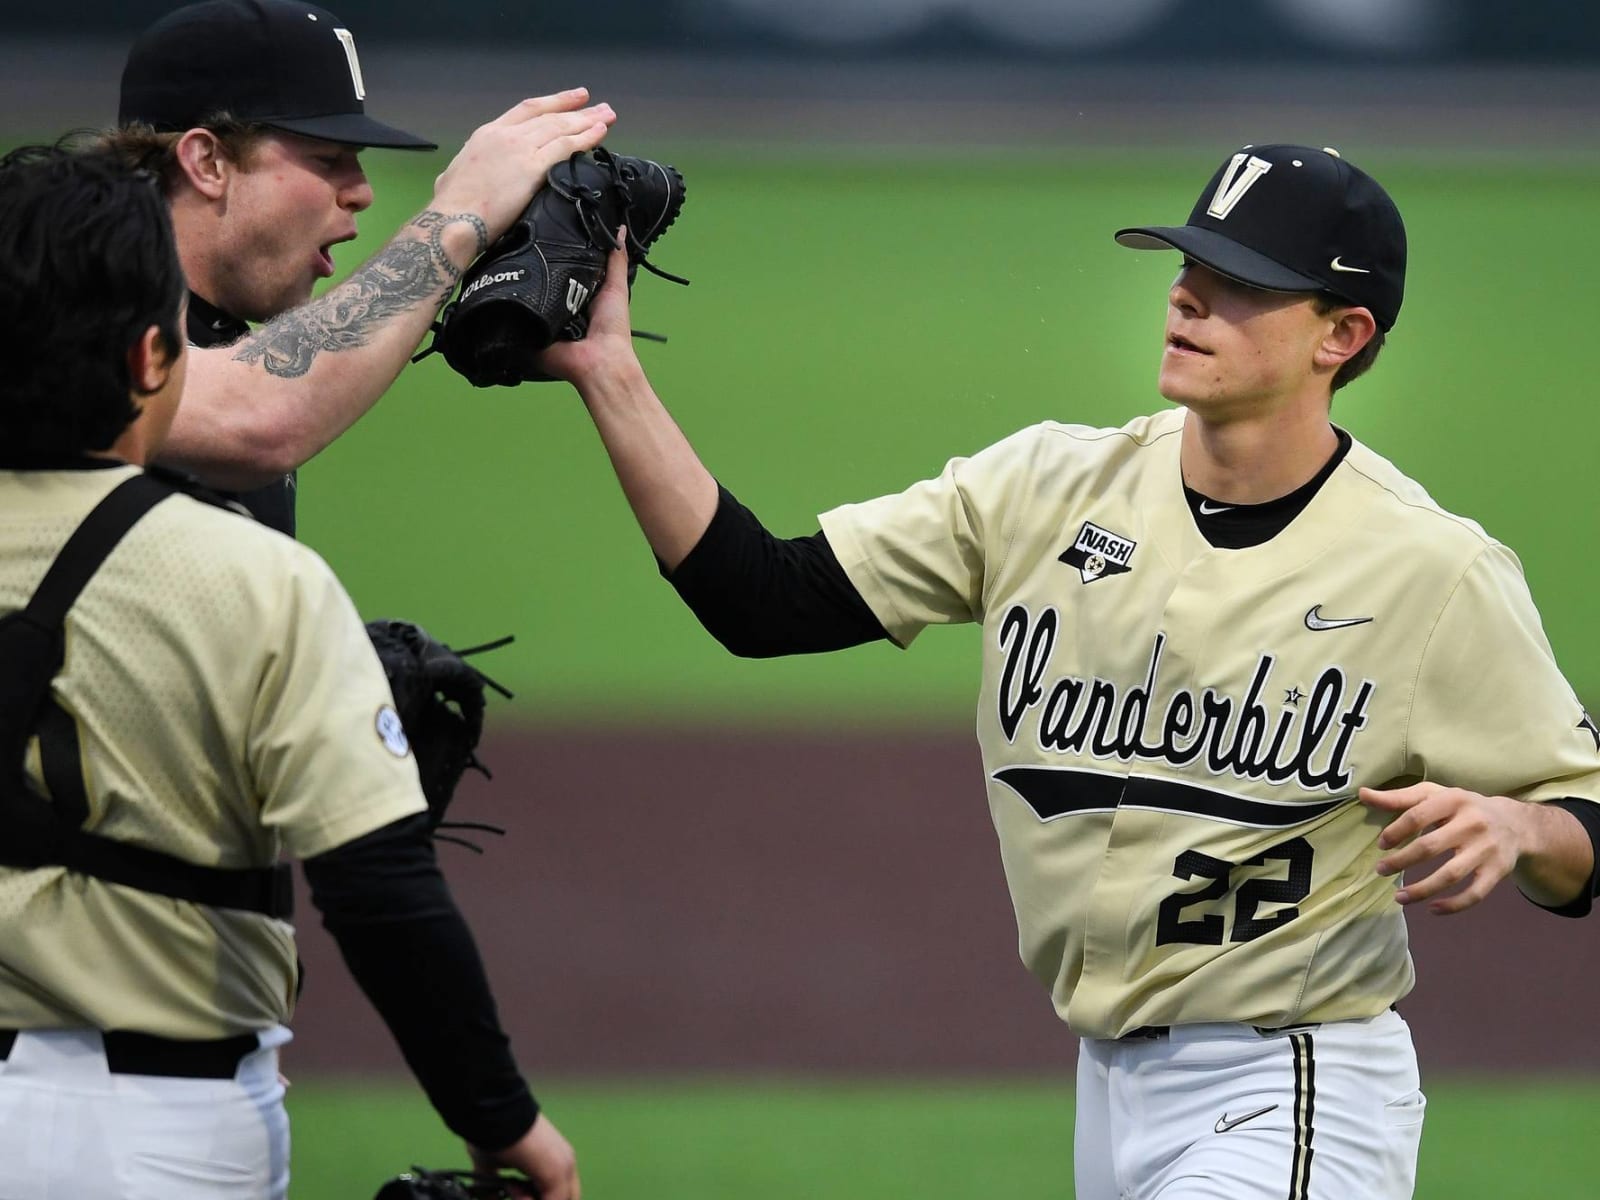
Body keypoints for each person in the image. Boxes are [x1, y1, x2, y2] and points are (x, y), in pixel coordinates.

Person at [539, 144, 1600, 1198]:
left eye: (1240, 285)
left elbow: (1584, 821)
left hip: (1292, 1088)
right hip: (1105, 1095)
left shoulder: (1433, 569)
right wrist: (609, 371)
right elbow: (760, 601)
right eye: (1189, 267)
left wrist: (1521, 826)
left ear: (1342, 333)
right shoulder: (1046, 487)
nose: (1187, 296)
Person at [0, 147, 577, 1199]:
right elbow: (380, 894)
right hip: (152, 1133)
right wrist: (505, 1123)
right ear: (150, 356)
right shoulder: (249, 580)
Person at [106, 0, 615, 535]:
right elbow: (258, 415)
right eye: (327, 159)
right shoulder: (42, 314)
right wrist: (458, 219)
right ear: (208, 163)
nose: (362, 192)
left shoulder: (201, 329)